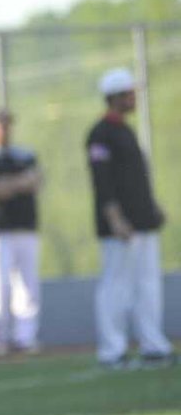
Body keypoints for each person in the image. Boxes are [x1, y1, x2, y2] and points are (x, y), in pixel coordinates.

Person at [86, 68, 176, 369]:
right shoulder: (100, 133)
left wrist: (152, 207)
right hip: (120, 227)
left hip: (143, 222)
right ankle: (113, 350)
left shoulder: (125, 130)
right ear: (115, 97)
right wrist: (115, 218)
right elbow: (104, 181)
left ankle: (153, 346)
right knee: (116, 285)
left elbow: (134, 178)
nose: (133, 98)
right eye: (128, 94)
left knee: (148, 284)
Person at [0, 109, 42, 357]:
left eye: (6, 126)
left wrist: (7, 185)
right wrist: (19, 183)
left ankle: (25, 337)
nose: (3, 131)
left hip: (25, 227)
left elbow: (36, 181)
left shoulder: (25, 155)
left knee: (28, 286)